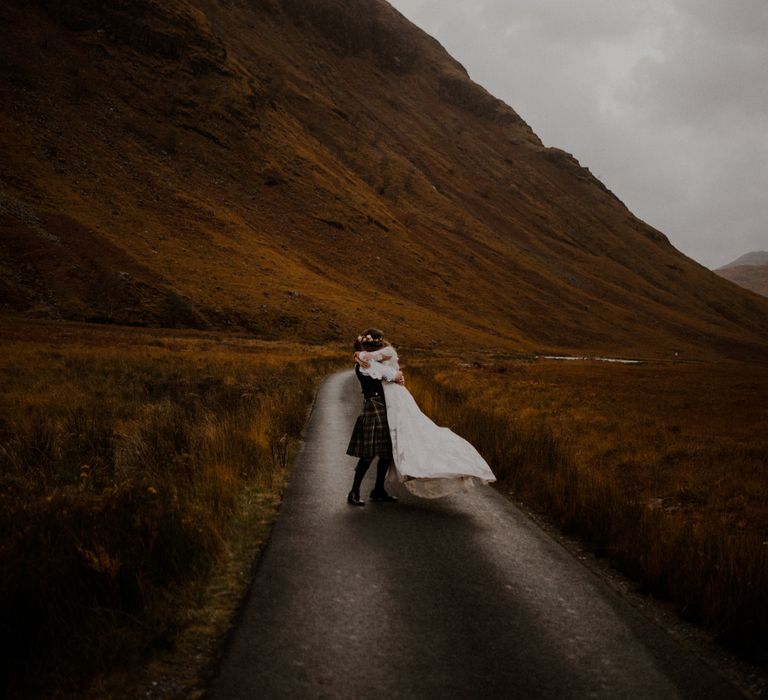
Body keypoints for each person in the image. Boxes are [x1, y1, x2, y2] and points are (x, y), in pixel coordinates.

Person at [354, 332, 496, 499]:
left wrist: (360, 352)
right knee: (377, 451)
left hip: (394, 402)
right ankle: (358, 491)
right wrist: (361, 354)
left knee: (390, 448)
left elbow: (388, 369)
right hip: (380, 405)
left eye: (371, 345)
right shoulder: (368, 364)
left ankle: (378, 490)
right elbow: (387, 372)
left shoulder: (384, 353)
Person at [345, 329, 404, 506]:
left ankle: (378, 490)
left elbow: (391, 372)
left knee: (386, 452)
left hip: (384, 406)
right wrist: (398, 376)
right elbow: (392, 375)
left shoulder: (367, 360)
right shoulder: (365, 365)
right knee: (368, 453)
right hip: (373, 406)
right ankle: (353, 492)